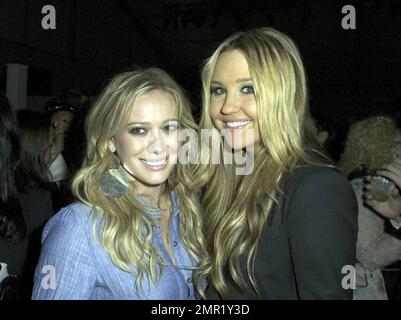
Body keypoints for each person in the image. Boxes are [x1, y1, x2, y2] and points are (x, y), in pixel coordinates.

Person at [194, 27, 358, 300]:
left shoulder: (317, 187)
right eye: (218, 91)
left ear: (283, 94)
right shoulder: (219, 175)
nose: (226, 107)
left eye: (248, 89)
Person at [32, 68, 207, 300]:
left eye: (169, 128)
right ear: (110, 142)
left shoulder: (190, 207)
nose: (158, 146)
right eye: (139, 130)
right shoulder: (79, 227)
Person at [338, 116, 401, 299]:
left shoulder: (370, 185)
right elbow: (371, 255)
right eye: (397, 141)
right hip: (361, 288)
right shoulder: (362, 189)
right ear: (378, 145)